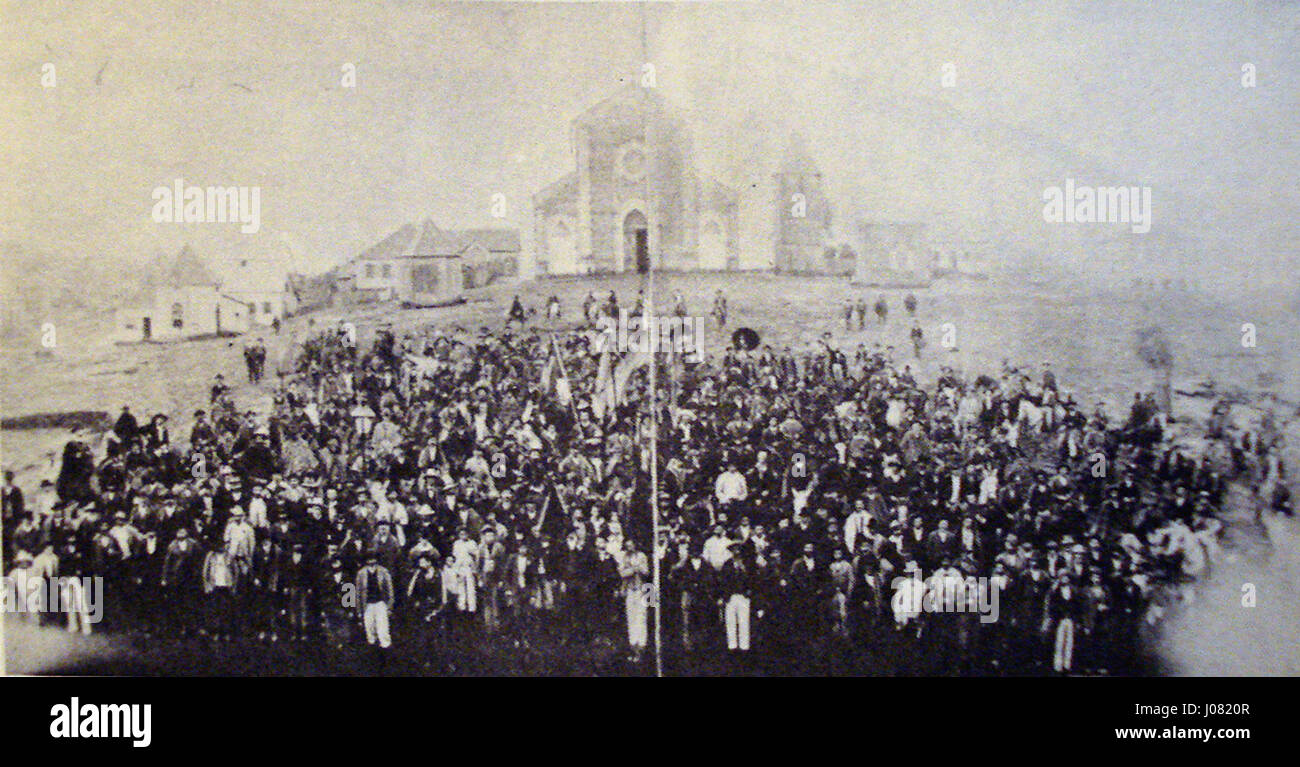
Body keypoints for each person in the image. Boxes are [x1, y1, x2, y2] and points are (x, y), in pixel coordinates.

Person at [618, 538, 650, 662]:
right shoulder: (624, 557)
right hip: (630, 590)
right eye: (627, 546)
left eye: (632, 545)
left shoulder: (642, 556)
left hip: (642, 589)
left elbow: (646, 572)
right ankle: (633, 646)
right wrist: (633, 569)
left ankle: (642, 646)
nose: (630, 548)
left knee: (641, 617)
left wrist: (638, 568)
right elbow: (622, 573)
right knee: (631, 617)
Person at [356, 553, 395, 650]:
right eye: (369, 560)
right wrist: (359, 610)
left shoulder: (383, 571)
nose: (371, 562)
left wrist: (389, 606)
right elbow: (358, 592)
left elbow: (390, 590)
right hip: (367, 605)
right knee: (369, 629)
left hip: (380, 603)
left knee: (383, 629)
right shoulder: (361, 573)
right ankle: (373, 652)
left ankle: (386, 650)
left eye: (373, 559)